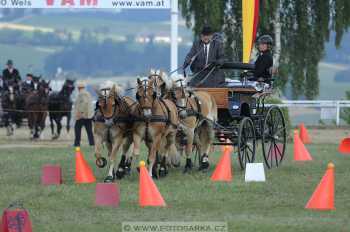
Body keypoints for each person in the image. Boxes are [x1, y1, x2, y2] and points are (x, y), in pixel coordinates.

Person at [73, 80, 95, 147]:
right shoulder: (87, 93)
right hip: (88, 116)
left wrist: (80, 112)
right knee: (89, 130)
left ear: (79, 87)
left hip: (82, 116)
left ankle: (77, 144)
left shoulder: (81, 93)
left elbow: (84, 103)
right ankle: (92, 143)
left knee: (77, 129)